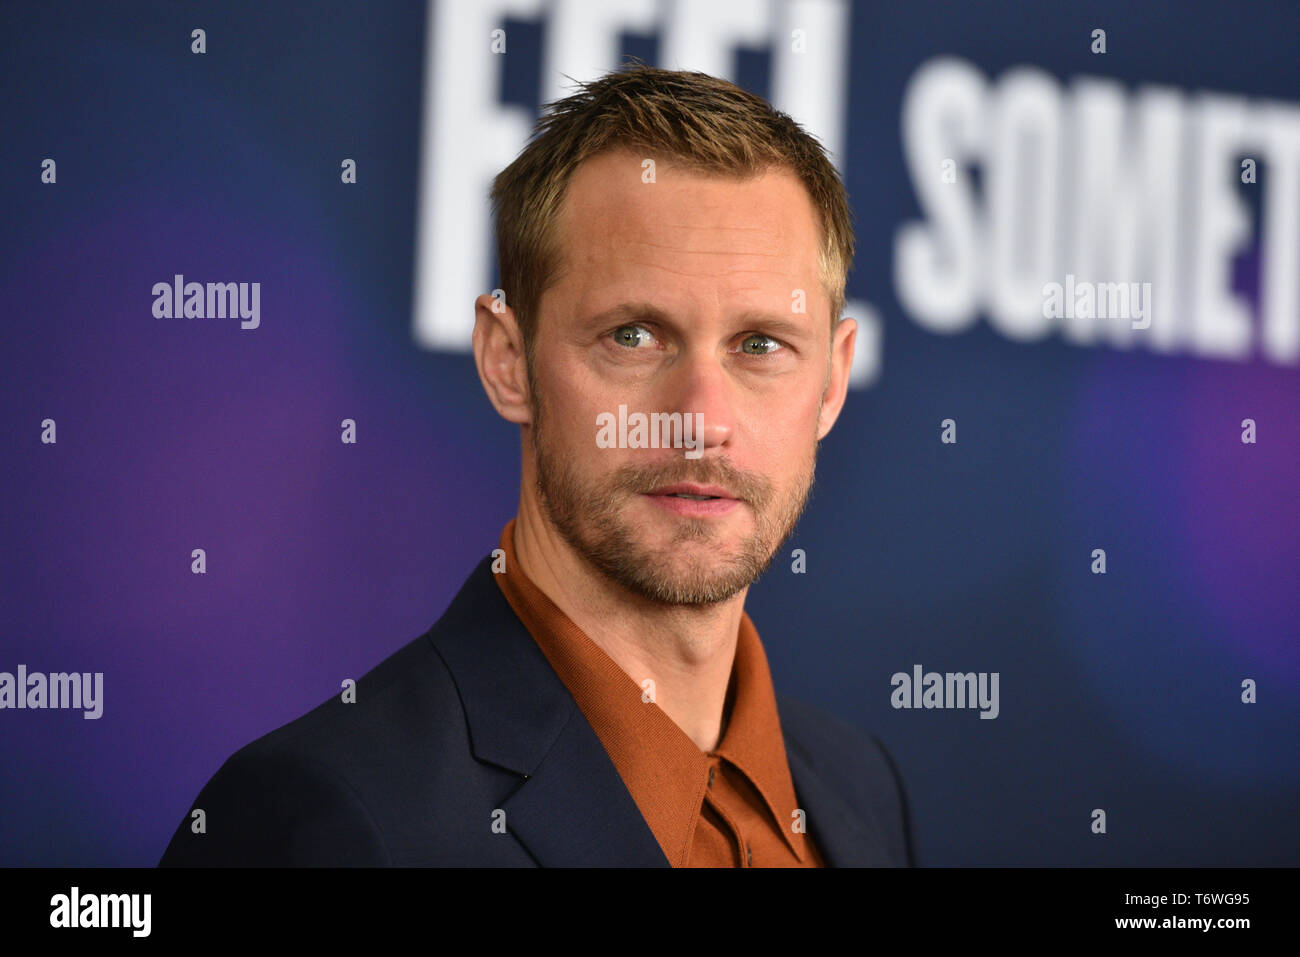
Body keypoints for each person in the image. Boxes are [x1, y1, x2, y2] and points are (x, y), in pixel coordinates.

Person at [159, 63, 914, 868]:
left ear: (832, 381)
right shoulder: (324, 820)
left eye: (760, 345)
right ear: (508, 358)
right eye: (634, 335)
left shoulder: (859, 788)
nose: (703, 421)